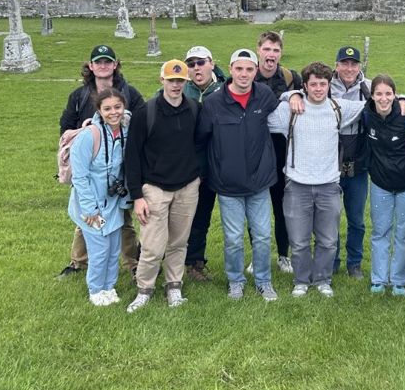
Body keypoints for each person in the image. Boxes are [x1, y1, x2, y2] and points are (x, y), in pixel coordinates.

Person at [196, 48, 294, 302]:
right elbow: (201, 140)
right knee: (233, 239)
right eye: (239, 68)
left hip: (260, 181)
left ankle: (263, 280)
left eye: (250, 69)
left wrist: (294, 95)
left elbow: (288, 101)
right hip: (228, 185)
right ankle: (235, 281)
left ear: (255, 71)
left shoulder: (263, 96)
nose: (244, 74)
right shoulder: (213, 104)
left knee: (262, 235)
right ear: (230, 70)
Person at [268, 62, 367, 298]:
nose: (319, 89)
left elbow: (375, 103)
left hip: (329, 185)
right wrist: (289, 95)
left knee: (328, 239)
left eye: (323, 84)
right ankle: (301, 280)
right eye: (313, 84)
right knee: (299, 240)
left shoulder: (338, 107)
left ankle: (323, 279)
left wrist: (402, 98)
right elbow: (263, 117)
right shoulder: (290, 110)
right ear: (306, 86)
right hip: (296, 185)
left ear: (328, 85)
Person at [58, 44, 144, 279]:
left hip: (120, 167)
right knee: (86, 217)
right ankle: (79, 262)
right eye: (98, 62)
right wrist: (82, 130)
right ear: (91, 66)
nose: (103, 66)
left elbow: (142, 124)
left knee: (123, 219)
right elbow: (65, 128)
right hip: (91, 167)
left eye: (108, 62)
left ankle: (132, 263)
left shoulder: (130, 93)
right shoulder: (79, 96)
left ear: (115, 65)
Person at [125, 60, 201, 313]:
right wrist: (137, 196)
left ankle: (174, 286)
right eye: (171, 80)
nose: (176, 85)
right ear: (162, 81)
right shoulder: (146, 113)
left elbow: (200, 145)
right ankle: (144, 289)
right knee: (153, 245)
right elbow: (132, 156)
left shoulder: (193, 108)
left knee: (179, 242)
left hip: (187, 186)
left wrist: (197, 175)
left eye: (181, 81)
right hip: (155, 188)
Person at [331, 45, 405, 278]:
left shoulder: (368, 87)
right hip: (330, 164)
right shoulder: (326, 86)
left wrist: (404, 98)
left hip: (358, 164)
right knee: (331, 218)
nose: (349, 68)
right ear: (336, 65)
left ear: (359, 66)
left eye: (354, 64)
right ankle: (333, 260)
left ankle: (354, 262)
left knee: (356, 219)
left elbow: (387, 96)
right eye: (344, 63)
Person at [68, 87, 131, 306]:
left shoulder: (124, 130)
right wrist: (89, 210)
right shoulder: (89, 136)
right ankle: (95, 289)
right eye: (107, 108)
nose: (113, 112)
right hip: (91, 205)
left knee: (114, 248)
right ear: (99, 110)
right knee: (100, 250)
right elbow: (80, 177)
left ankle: (109, 286)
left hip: (113, 203)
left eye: (118, 107)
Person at [254, 31, 302, 274]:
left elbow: (310, 99)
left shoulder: (291, 78)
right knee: (256, 208)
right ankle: (256, 255)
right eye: (267, 49)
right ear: (258, 50)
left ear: (280, 53)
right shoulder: (248, 76)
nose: (271, 55)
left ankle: (284, 255)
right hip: (255, 151)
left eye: (275, 50)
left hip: (284, 151)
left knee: (283, 207)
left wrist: (295, 93)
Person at [364, 75, 405, 296]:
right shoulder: (367, 115)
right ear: (372, 95)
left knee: (403, 234)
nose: (383, 98)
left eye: (388, 93)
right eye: (379, 94)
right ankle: (378, 279)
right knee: (380, 232)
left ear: (395, 95)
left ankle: (399, 281)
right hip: (380, 184)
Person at [182, 45, 226, 282]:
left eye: (200, 62)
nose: (196, 68)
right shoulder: (180, 87)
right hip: (184, 166)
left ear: (211, 63)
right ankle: (150, 259)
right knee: (172, 217)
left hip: (213, 166)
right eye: (191, 64)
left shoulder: (225, 88)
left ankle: (195, 263)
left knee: (201, 218)